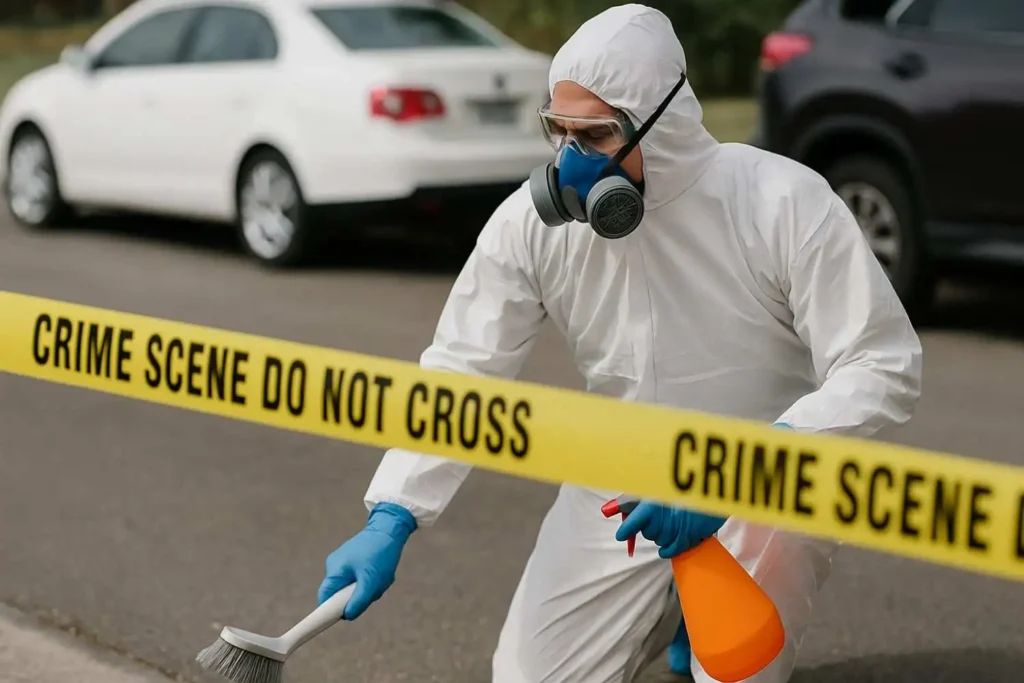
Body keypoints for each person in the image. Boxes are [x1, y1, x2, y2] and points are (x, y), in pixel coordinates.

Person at [315, 4, 923, 682]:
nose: (571, 161)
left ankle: (691, 611)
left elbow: (880, 363)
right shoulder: (531, 226)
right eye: (560, 130)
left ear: (665, 124)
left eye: (597, 135)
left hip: (766, 474)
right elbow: (465, 365)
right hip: (622, 476)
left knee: (735, 670)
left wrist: (738, 474)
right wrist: (393, 512)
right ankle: (666, 604)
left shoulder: (778, 200)